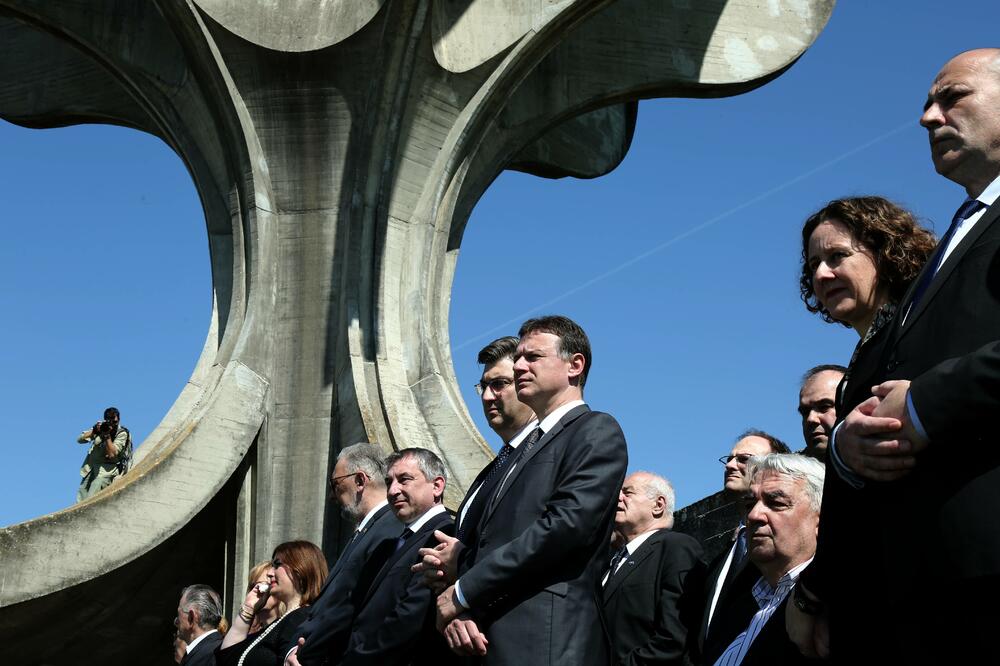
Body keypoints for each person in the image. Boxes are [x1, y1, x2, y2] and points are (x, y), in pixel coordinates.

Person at [790, 48, 1000, 663]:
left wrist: (926, 404)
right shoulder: (955, 243)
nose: (928, 118)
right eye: (926, 104)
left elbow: (924, 398)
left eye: (952, 96)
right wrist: (848, 452)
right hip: (909, 599)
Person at [791, 195, 939, 662]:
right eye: (814, 264)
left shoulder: (914, 333)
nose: (821, 275)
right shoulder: (861, 361)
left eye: (837, 256)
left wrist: (810, 594)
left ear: (884, 251)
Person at [435, 315, 629, 665]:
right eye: (519, 357)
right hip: (489, 641)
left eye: (532, 357)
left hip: (547, 642)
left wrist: (463, 591)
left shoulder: (595, 431)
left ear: (575, 365)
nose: (520, 366)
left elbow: (563, 528)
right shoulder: (518, 453)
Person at [413, 336, 537, 592]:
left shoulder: (541, 455)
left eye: (500, 384)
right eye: (483, 386)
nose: (488, 396)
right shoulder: (492, 470)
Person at [285, 443, 400, 666]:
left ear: (360, 481)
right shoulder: (367, 530)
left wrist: (304, 653)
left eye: (336, 484)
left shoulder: (389, 528)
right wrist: (292, 650)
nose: (332, 496)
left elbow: (348, 605)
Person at [703, 454, 824, 666]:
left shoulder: (823, 607)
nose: (754, 515)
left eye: (776, 503)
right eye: (750, 504)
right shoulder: (738, 606)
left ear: (820, 520)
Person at [339, 448, 456, 665]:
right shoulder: (397, 542)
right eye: (389, 481)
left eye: (404, 480)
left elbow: (408, 619)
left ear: (437, 485)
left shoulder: (444, 535)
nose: (393, 491)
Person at [697, 431, 789, 654]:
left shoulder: (787, 544)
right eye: (729, 458)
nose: (729, 465)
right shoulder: (722, 558)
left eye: (743, 459)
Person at [601, 471, 705, 666]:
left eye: (627, 492)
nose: (618, 497)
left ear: (658, 505)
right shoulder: (613, 562)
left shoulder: (676, 547)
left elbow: (674, 638)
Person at [219, 541, 328, 666]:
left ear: (300, 569)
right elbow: (227, 657)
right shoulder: (284, 620)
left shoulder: (302, 618)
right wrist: (248, 609)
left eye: (277, 565)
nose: (270, 573)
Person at [76, 406, 131, 501]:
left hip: (106, 472)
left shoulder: (122, 433)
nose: (112, 424)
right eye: (109, 421)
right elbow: (79, 440)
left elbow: (112, 454)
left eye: (115, 422)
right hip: (91, 469)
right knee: (81, 498)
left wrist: (107, 436)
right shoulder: (101, 427)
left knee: (92, 497)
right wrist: (94, 431)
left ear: (118, 420)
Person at [796, 364, 846, 458]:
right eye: (805, 412)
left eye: (824, 407)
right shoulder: (786, 470)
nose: (811, 419)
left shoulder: (879, 463)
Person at [174, 584, 224, 666]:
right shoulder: (223, 649)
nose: (176, 622)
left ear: (191, 617)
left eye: (178, 614)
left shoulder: (205, 657)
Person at [247, 560, 284, 634]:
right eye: (255, 586)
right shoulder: (248, 632)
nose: (259, 591)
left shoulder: (288, 626)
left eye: (266, 585)